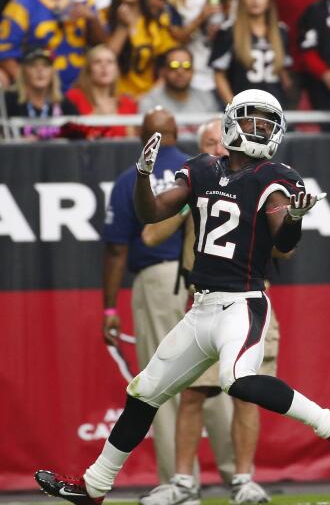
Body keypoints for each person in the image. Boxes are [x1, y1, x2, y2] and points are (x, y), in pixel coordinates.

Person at [35, 89, 330, 504]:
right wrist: (142, 175)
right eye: (253, 119)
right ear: (232, 121)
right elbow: (152, 213)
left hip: (242, 304)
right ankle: (94, 487)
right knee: (144, 392)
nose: (260, 128)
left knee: (239, 381)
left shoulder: (275, 177)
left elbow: (283, 233)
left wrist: (296, 221)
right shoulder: (201, 169)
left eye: (268, 122)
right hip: (201, 307)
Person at [138, 120, 278, 505]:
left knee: (246, 391)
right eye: (210, 144)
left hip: (249, 298)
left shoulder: (264, 185)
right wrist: (193, 203)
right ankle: (183, 483)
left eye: (222, 141)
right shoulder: (197, 182)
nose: (220, 150)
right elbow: (150, 234)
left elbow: (284, 250)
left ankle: (243, 481)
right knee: (194, 393)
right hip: (206, 301)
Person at [97, 107, 211, 486]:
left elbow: (117, 249)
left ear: (142, 135)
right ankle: (237, 476)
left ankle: (178, 481)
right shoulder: (200, 170)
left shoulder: (133, 178)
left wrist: (110, 306)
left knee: (160, 384)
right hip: (209, 282)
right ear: (177, 132)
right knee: (219, 382)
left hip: (160, 281)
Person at [0, 0, 105, 91]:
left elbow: (103, 45)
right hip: (41, 94)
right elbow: (6, 54)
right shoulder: (20, 7)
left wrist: (92, 20)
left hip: (82, 92)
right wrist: (28, 89)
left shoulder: (83, 0)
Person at [167, 0, 240, 92]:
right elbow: (173, 39)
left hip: (229, 73)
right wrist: (200, 18)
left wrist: (223, 34)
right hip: (193, 74)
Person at [211, 0, 292, 105]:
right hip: (242, 107)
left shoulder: (281, 31)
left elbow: (284, 74)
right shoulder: (228, 32)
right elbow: (219, 75)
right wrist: (232, 106)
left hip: (274, 107)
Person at [105, 0, 179, 99]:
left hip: (151, 97)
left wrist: (149, 97)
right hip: (114, 99)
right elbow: (106, 59)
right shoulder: (103, 16)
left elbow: (169, 63)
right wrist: (123, 27)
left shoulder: (157, 21)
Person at [2, 47, 79, 140]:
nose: (40, 70)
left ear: (52, 72)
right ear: (23, 71)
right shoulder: (7, 101)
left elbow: (78, 138)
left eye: (46, 66)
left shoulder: (64, 104)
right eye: (33, 65)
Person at [66, 46, 138, 138]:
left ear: (116, 70)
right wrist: (96, 116)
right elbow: (71, 136)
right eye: (97, 62)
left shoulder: (127, 102)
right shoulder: (74, 97)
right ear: (88, 70)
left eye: (110, 62)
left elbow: (132, 142)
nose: (104, 66)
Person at [138, 47, 220, 120]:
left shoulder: (206, 98)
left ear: (193, 71)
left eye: (186, 66)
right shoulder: (149, 102)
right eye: (174, 66)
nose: (180, 71)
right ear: (163, 71)